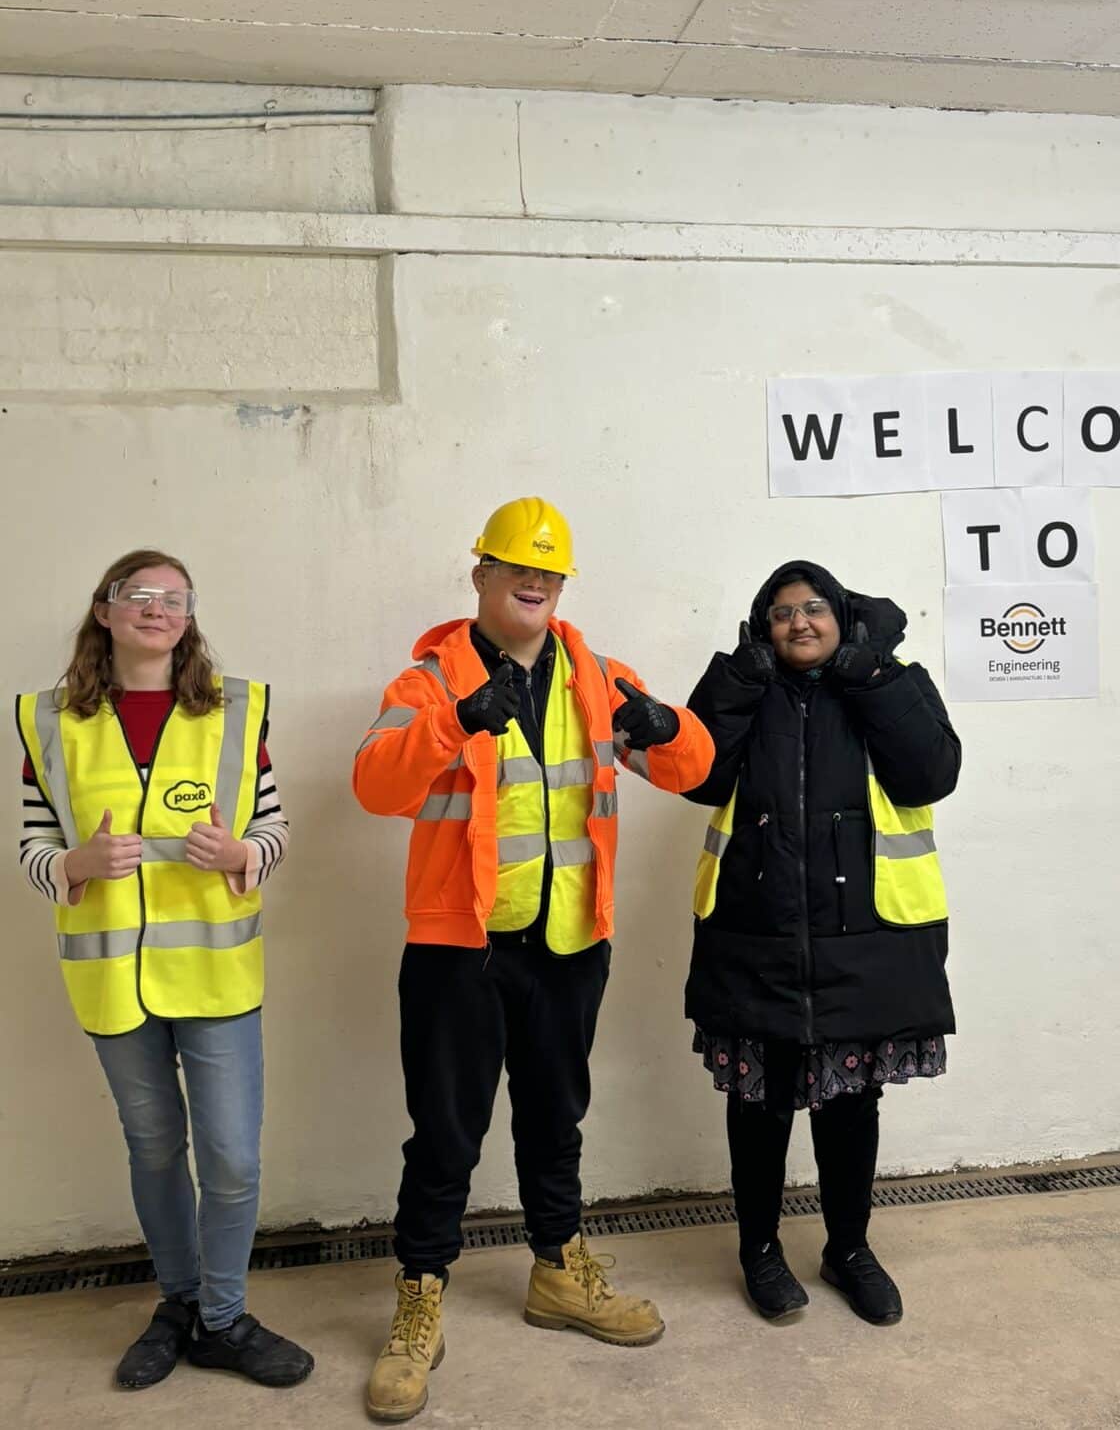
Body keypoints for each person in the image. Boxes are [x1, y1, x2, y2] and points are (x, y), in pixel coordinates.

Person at [353, 497, 713, 1424]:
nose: (535, 581)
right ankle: (420, 1299)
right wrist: (457, 721)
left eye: (549, 572)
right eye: (518, 566)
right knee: (445, 1133)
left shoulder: (596, 675)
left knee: (556, 1120)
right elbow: (375, 784)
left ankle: (557, 1271)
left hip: (569, 944)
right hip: (459, 949)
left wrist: (665, 724)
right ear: (481, 574)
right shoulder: (430, 678)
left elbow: (692, 769)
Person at [15, 549, 313, 1392]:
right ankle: (181, 1303)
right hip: (113, 978)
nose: (158, 609)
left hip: (216, 975)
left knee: (232, 1158)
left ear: (189, 619)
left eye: (175, 598)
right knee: (153, 1147)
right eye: (139, 594)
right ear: (104, 609)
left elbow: (275, 826)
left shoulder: (234, 709)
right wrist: (74, 864)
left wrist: (243, 851)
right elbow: (34, 843)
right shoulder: (50, 721)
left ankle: (223, 1317)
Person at [682, 560, 961, 1325]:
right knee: (760, 1105)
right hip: (756, 935)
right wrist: (738, 680)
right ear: (762, 627)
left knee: (849, 1105)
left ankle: (850, 1249)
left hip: (862, 939)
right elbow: (696, 775)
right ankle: (760, 1251)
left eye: (813, 608)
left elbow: (932, 772)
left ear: (841, 615)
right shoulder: (749, 686)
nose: (798, 622)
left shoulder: (890, 679)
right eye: (781, 612)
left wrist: (871, 675)